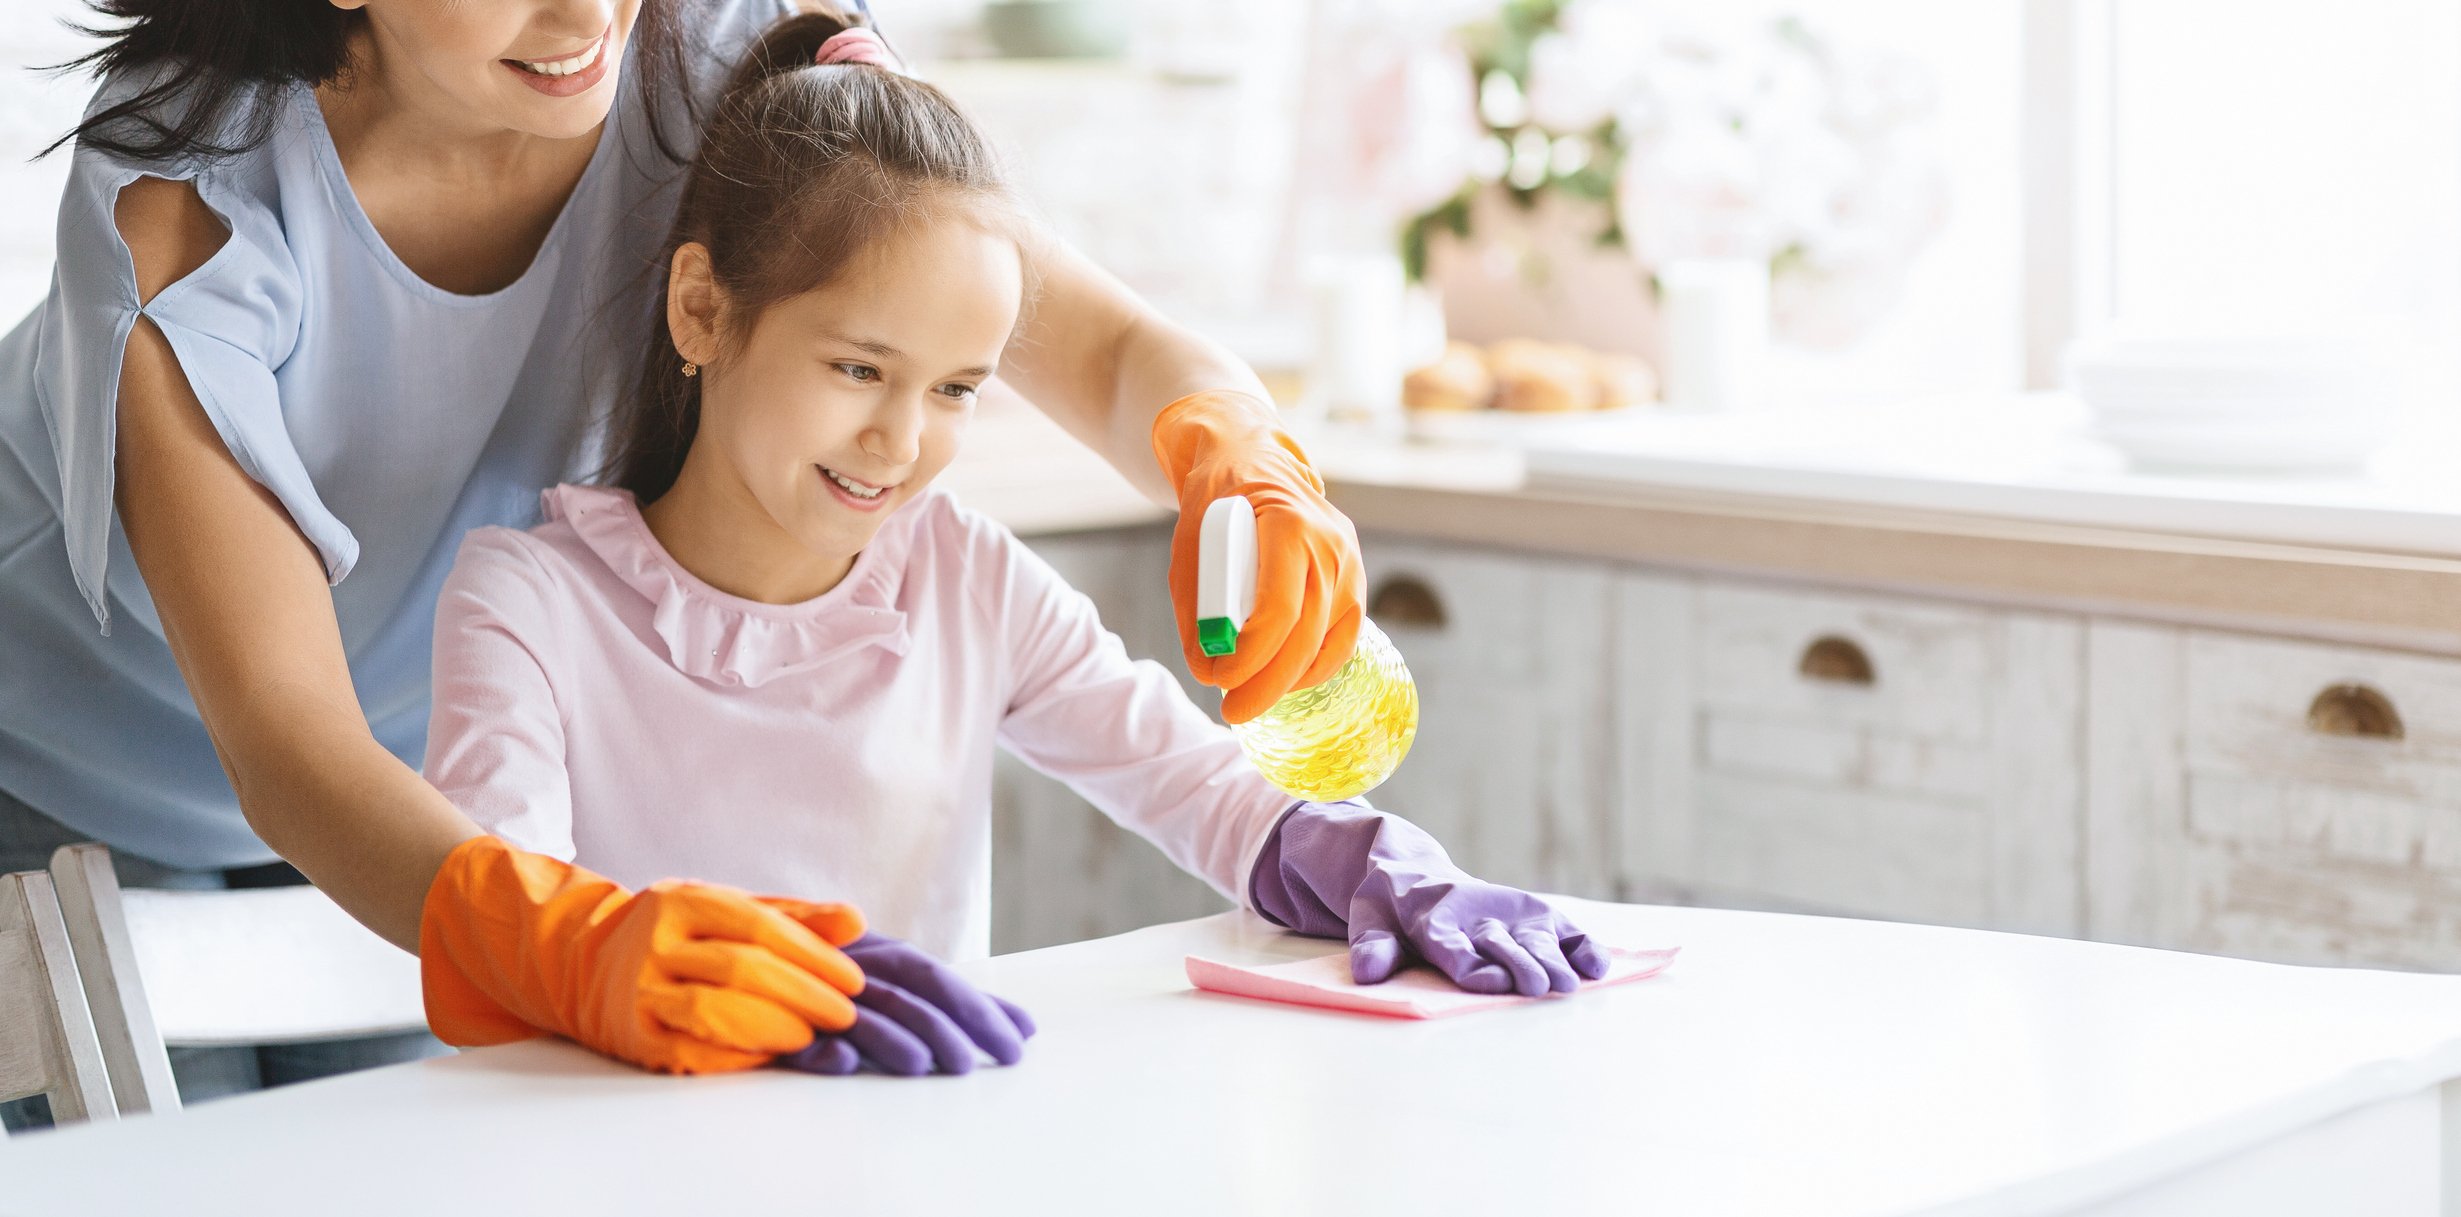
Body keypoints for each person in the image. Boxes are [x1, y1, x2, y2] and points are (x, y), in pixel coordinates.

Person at [0, 0, 1360, 1112]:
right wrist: (565, 938)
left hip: (417, 809)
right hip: (65, 785)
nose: (586, 16)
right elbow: (291, 745)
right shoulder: (180, 214)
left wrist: (1232, 449)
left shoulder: (721, 56)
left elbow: (1095, 342)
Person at [421, 16, 1608, 1076]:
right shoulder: (528, 602)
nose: (899, 439)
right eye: (858, 369)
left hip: (914, 1154)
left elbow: (1191, 783)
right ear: (702, 309)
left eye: (956, 389)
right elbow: (513, 907)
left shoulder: (961, 575)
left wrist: (1356, 858)